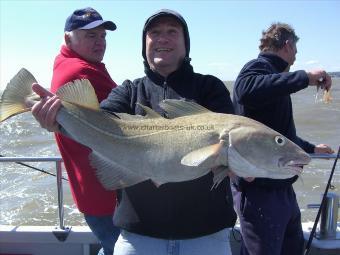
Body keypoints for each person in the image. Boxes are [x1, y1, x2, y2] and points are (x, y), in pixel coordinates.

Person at [30, 9, 237, 255]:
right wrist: (59, 123)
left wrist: (238, 165)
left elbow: (232, 152)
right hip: (137, 237)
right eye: (155, 33)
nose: (162, 38)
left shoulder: (211, 88)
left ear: (185, 43)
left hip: (207, 235)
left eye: (172, 32)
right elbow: (98, 126)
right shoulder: (126, 91)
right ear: (145, 44)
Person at [232, 22, 334, 255]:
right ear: (287, 45)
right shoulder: (258, 66)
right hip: (259, 191)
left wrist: (311, 148)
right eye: (296, 51)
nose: (296, 56)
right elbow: (245, 89)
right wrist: (305, 77)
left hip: (282, 188)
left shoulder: (276, 79)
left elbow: (281, 135)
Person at [38, 7, 120, 255]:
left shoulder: (69, 63)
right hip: (104, 192)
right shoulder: (81, 72)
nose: (100, 42)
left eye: (102, 36)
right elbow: (124, 120)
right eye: (90, 36)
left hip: (92, 192)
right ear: (68, 38)